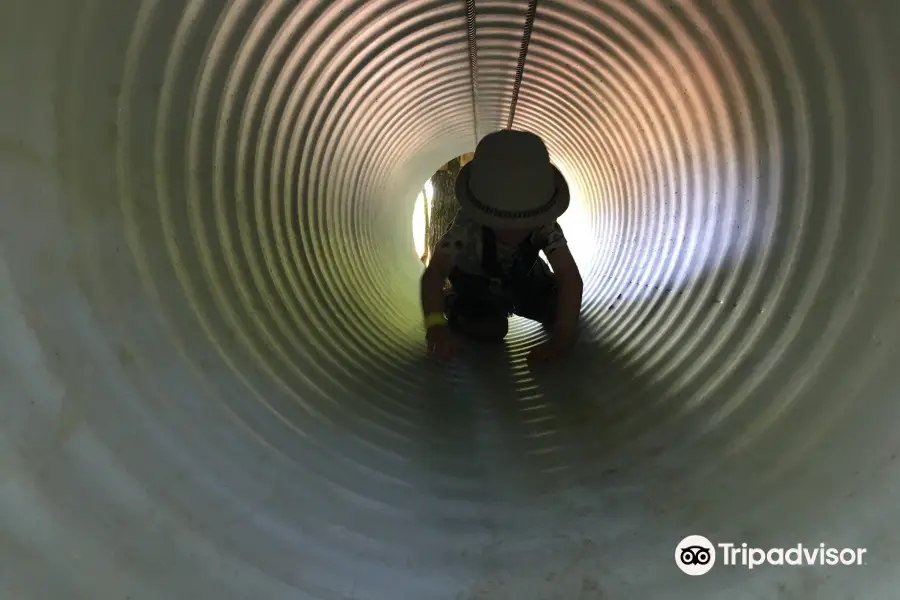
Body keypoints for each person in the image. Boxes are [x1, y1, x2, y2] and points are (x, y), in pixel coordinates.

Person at [420, 129, 583, 365]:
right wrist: (435, 325)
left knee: (561, 311)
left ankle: (517, 306)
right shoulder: (468, 225)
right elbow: (435, 272)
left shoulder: (545, 226)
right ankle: (452, 303)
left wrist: (563, 336)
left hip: (524, 281)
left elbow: (569, 276)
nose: (514, 230)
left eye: (524, 223)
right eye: (502, 223)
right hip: (477, 284)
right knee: (492, 330)